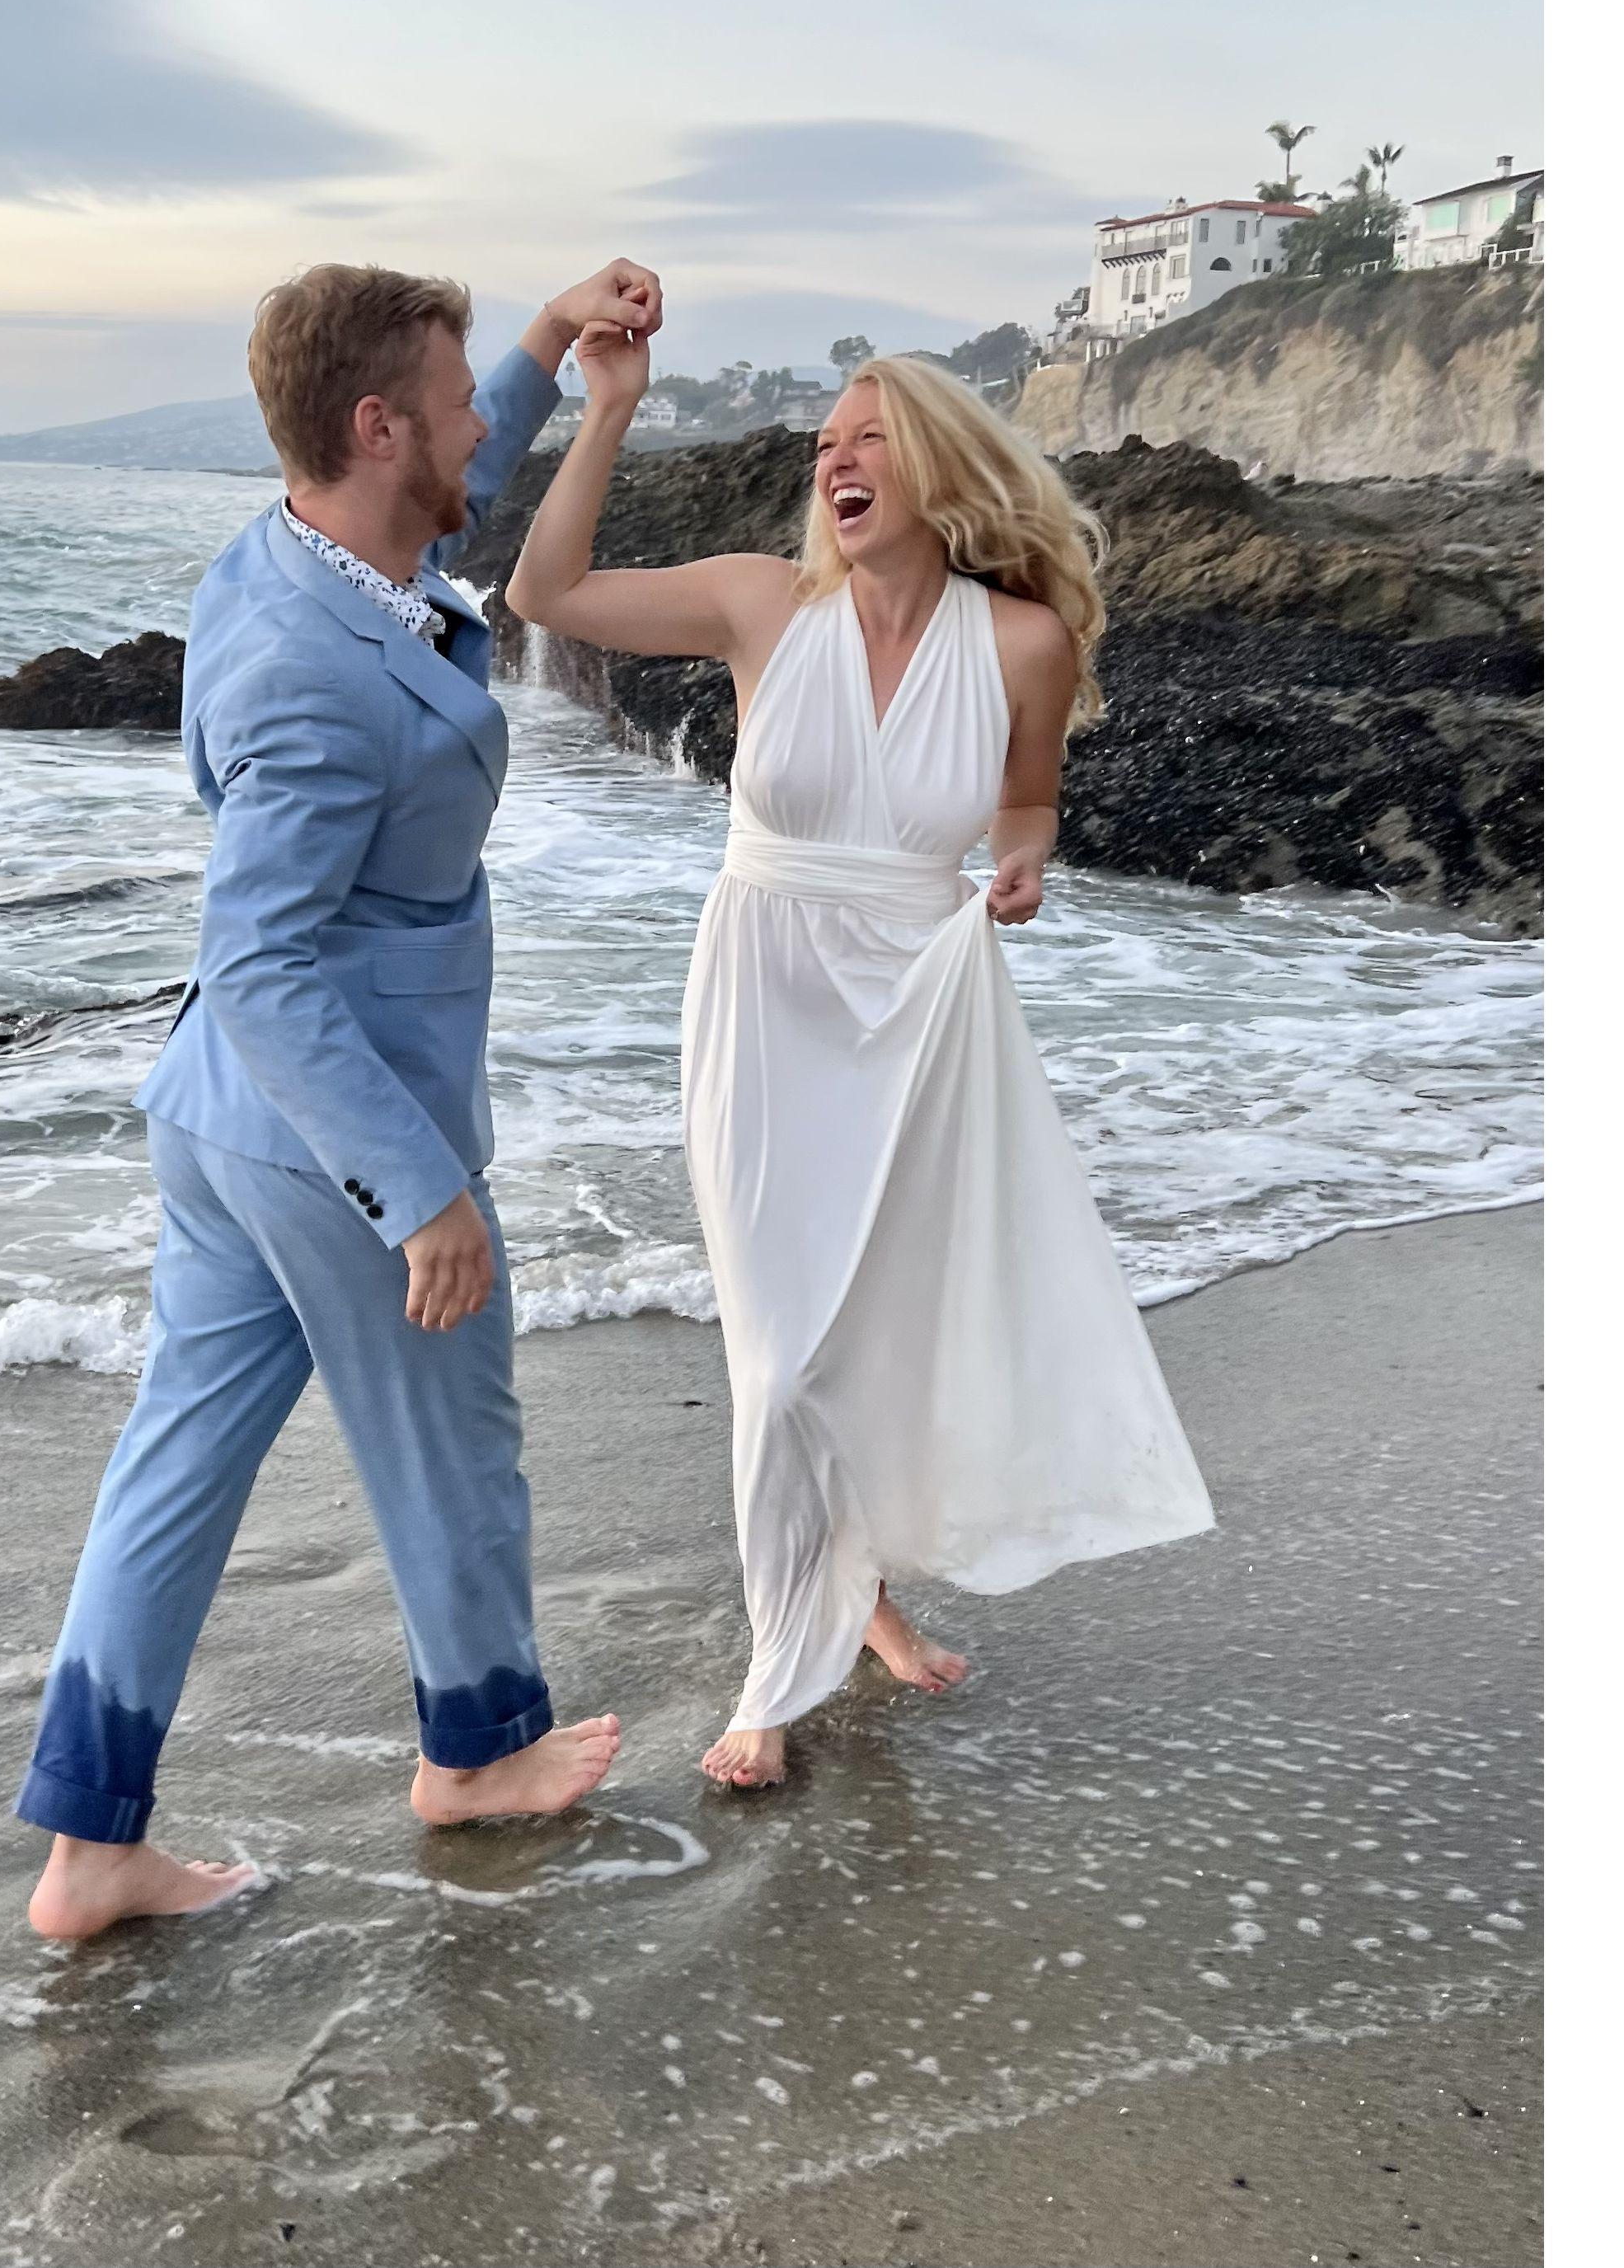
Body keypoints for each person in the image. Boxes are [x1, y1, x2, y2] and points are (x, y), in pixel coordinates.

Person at [16, 259, 662, 1938]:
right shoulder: (314, 671)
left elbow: (458, 483)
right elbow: (263, 959)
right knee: (456, 1441)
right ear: (378, 428)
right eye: (448, 407)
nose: (474, 433)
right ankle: (478, 1749)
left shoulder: (305, 553)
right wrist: (419, 1190)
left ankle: (89, 1845)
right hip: (329, 1128)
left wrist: (537, 343)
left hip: (221, 1122)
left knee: (178, 1462)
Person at [507, 332, 1215, 1788]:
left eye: (869, 438)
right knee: (780, 1344)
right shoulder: (761, 606)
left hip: (918, 1000)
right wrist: (611, 411)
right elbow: (543, 594)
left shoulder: (1024, 642)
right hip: (763, 994)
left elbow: (1027, 803)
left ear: (939, 466)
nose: (835, 457)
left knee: (871, 1324)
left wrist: (1020, 868)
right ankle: (781, 1670)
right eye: (826, 440)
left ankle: (862, 1596)